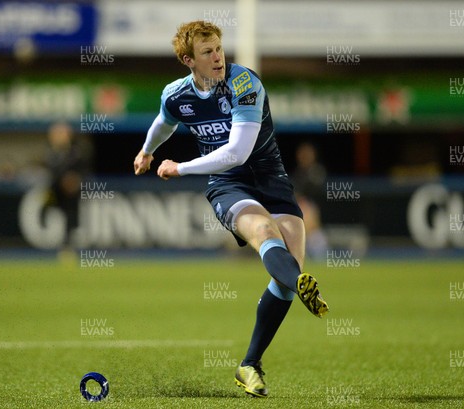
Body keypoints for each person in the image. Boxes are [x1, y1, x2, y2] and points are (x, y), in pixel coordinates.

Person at [133, 21, 328, 398]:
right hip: (228, 185)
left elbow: (237, 152)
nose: (218, 56)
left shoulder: (243, 84)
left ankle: (249, 364)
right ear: (189, 60)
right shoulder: (176, 95)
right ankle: (297, 283)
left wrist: (180, 167)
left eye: (219, 48)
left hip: (272, 181)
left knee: (287, 281)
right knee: (267, 236)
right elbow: (163, 122)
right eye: (207, 52)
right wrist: (146, 151)